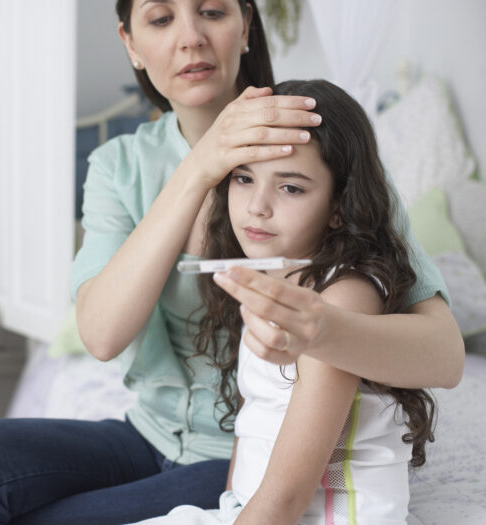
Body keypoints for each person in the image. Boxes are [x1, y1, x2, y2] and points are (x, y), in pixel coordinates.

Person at [0, 1, 462, 524]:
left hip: (242, 458)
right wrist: (202, 165)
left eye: (212, 11)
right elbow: (100, 335)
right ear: (131, 43)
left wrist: (325, 330)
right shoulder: (120, 166)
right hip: (146, 434)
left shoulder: (319, 148)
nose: (190, 38)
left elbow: (443, 355)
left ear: (245, 26)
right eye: (161, 18)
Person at [128, 79, 436, 525]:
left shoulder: (343, 296)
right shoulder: (270, 277)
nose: (257, 206)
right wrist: (231, 506)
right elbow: (255, 423)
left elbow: (288, 496)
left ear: (338, 205)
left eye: (290, 188)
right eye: (244, 178)